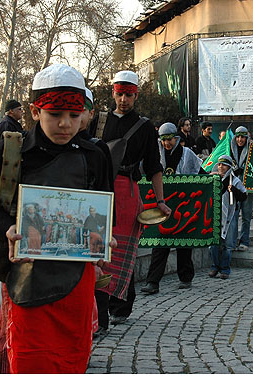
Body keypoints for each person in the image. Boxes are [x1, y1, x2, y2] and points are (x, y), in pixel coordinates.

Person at [0, 63, 114, 373]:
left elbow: (104, 207)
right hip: (26, 276)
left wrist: (105, 237)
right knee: (29, 357)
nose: (65, 125)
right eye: (55, 116)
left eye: (75, 117)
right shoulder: (11, 152)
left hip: (77, 281)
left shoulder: (95, 155)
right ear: (36, 112)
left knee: (73, 359)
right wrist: (8, 227)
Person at [89, 70, 171, 327]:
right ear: (113, 92)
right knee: (97, 251)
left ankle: (121, 305)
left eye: (129, 95)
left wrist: (160, 201)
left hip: (127, 191)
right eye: (119, 93)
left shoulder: (145, 126)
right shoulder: (98, 120)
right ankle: (98, 311)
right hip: (98, 190)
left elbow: (154, 166)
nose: (123, 99)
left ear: (135, 95)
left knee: (120, 252)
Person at [140, 122, 204, 295]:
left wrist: (213, 180)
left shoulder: (187, 154)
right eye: (163, 140)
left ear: (176, 138)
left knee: (184, 242)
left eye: (170, 139)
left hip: (183, 205)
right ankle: (152, 281)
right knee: (160, 243)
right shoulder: (155, 156)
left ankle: (186, 277)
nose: (167, 143)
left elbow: (200, 173)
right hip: (163, 205)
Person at [209, 155, 247, 279]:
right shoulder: (214, 179)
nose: (221, 167)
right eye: (219, 164)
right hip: (215, 214)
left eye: (224, 165)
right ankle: (215, 267)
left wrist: (234, 190)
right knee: (214, 243)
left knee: (228, 244)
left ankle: (225, 269)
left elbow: (243, 196)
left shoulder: (234, 181)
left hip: (230, 215)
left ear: (229, 167)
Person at [230, 126, 253, 250]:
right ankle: (232, 242)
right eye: (238, 137)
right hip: (234, 187)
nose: (240, 140)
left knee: (246, 216)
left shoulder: (252, 150)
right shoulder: (229, 149)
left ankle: (245, 241)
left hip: (249, 187)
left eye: (242, 137)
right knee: (233, 216)